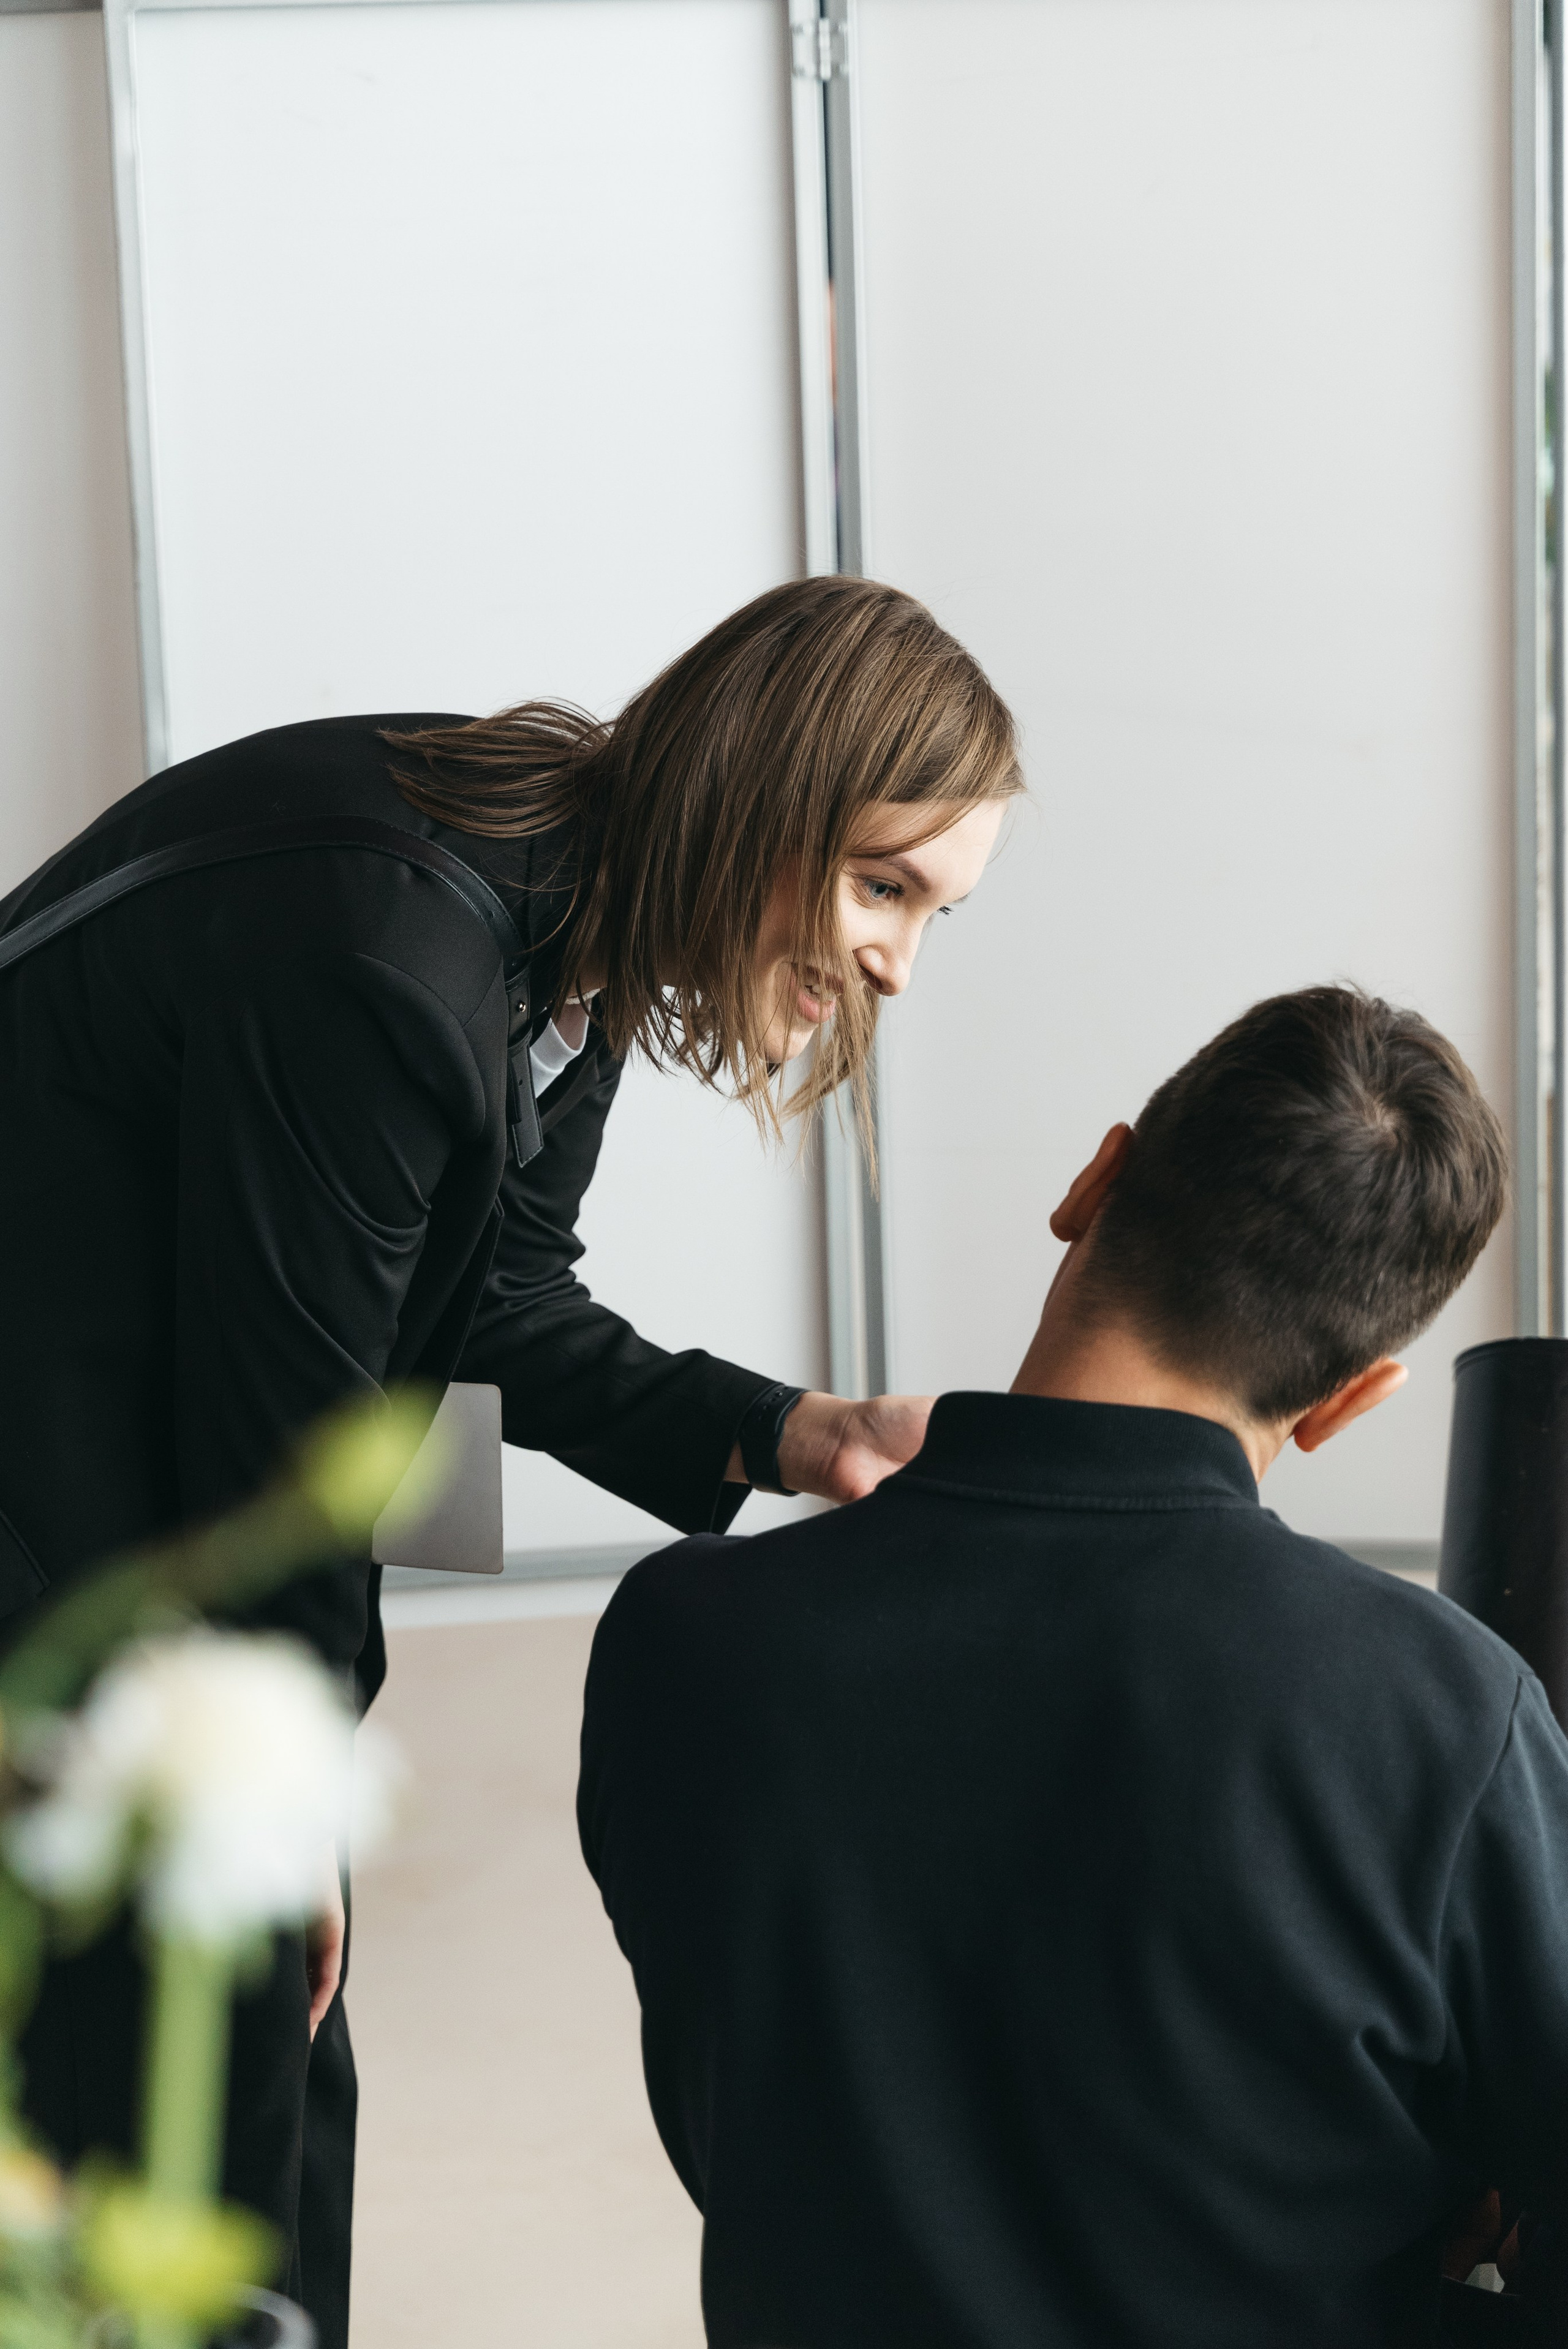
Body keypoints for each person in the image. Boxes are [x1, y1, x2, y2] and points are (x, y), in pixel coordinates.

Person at [0, 576, 1022, 2345]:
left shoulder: (573, 933)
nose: (895, 964)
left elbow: (487, 1291)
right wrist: (288, 1794)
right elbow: (289, 1445)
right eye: (881, 885)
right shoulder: (393, 957)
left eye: (933, 911)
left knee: (243, 2096)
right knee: (193, 2090)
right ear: (759, 795)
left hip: (105, 1432)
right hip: (57, 1478)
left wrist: (798, 1428)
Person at [579, 984, 1568, 2349]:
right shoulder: (1444, 1716)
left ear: (1093, 1182)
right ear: (1350, 1398)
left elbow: (745, 2121)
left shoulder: (680, 1636)